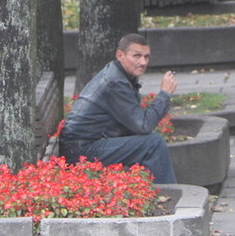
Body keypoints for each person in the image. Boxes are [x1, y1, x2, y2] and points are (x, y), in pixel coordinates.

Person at [59, 34, 179, 184]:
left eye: (146, 57)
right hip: (81, 152)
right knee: (153, 143)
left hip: (86, 145)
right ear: (120, 55)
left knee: (150, 141)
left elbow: (137, 124)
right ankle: (170, 195)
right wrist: (164, 95)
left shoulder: (119, 75)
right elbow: (143, 125)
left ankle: (160, 192)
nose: (143, 62)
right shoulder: (115, 82)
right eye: (137, 56)